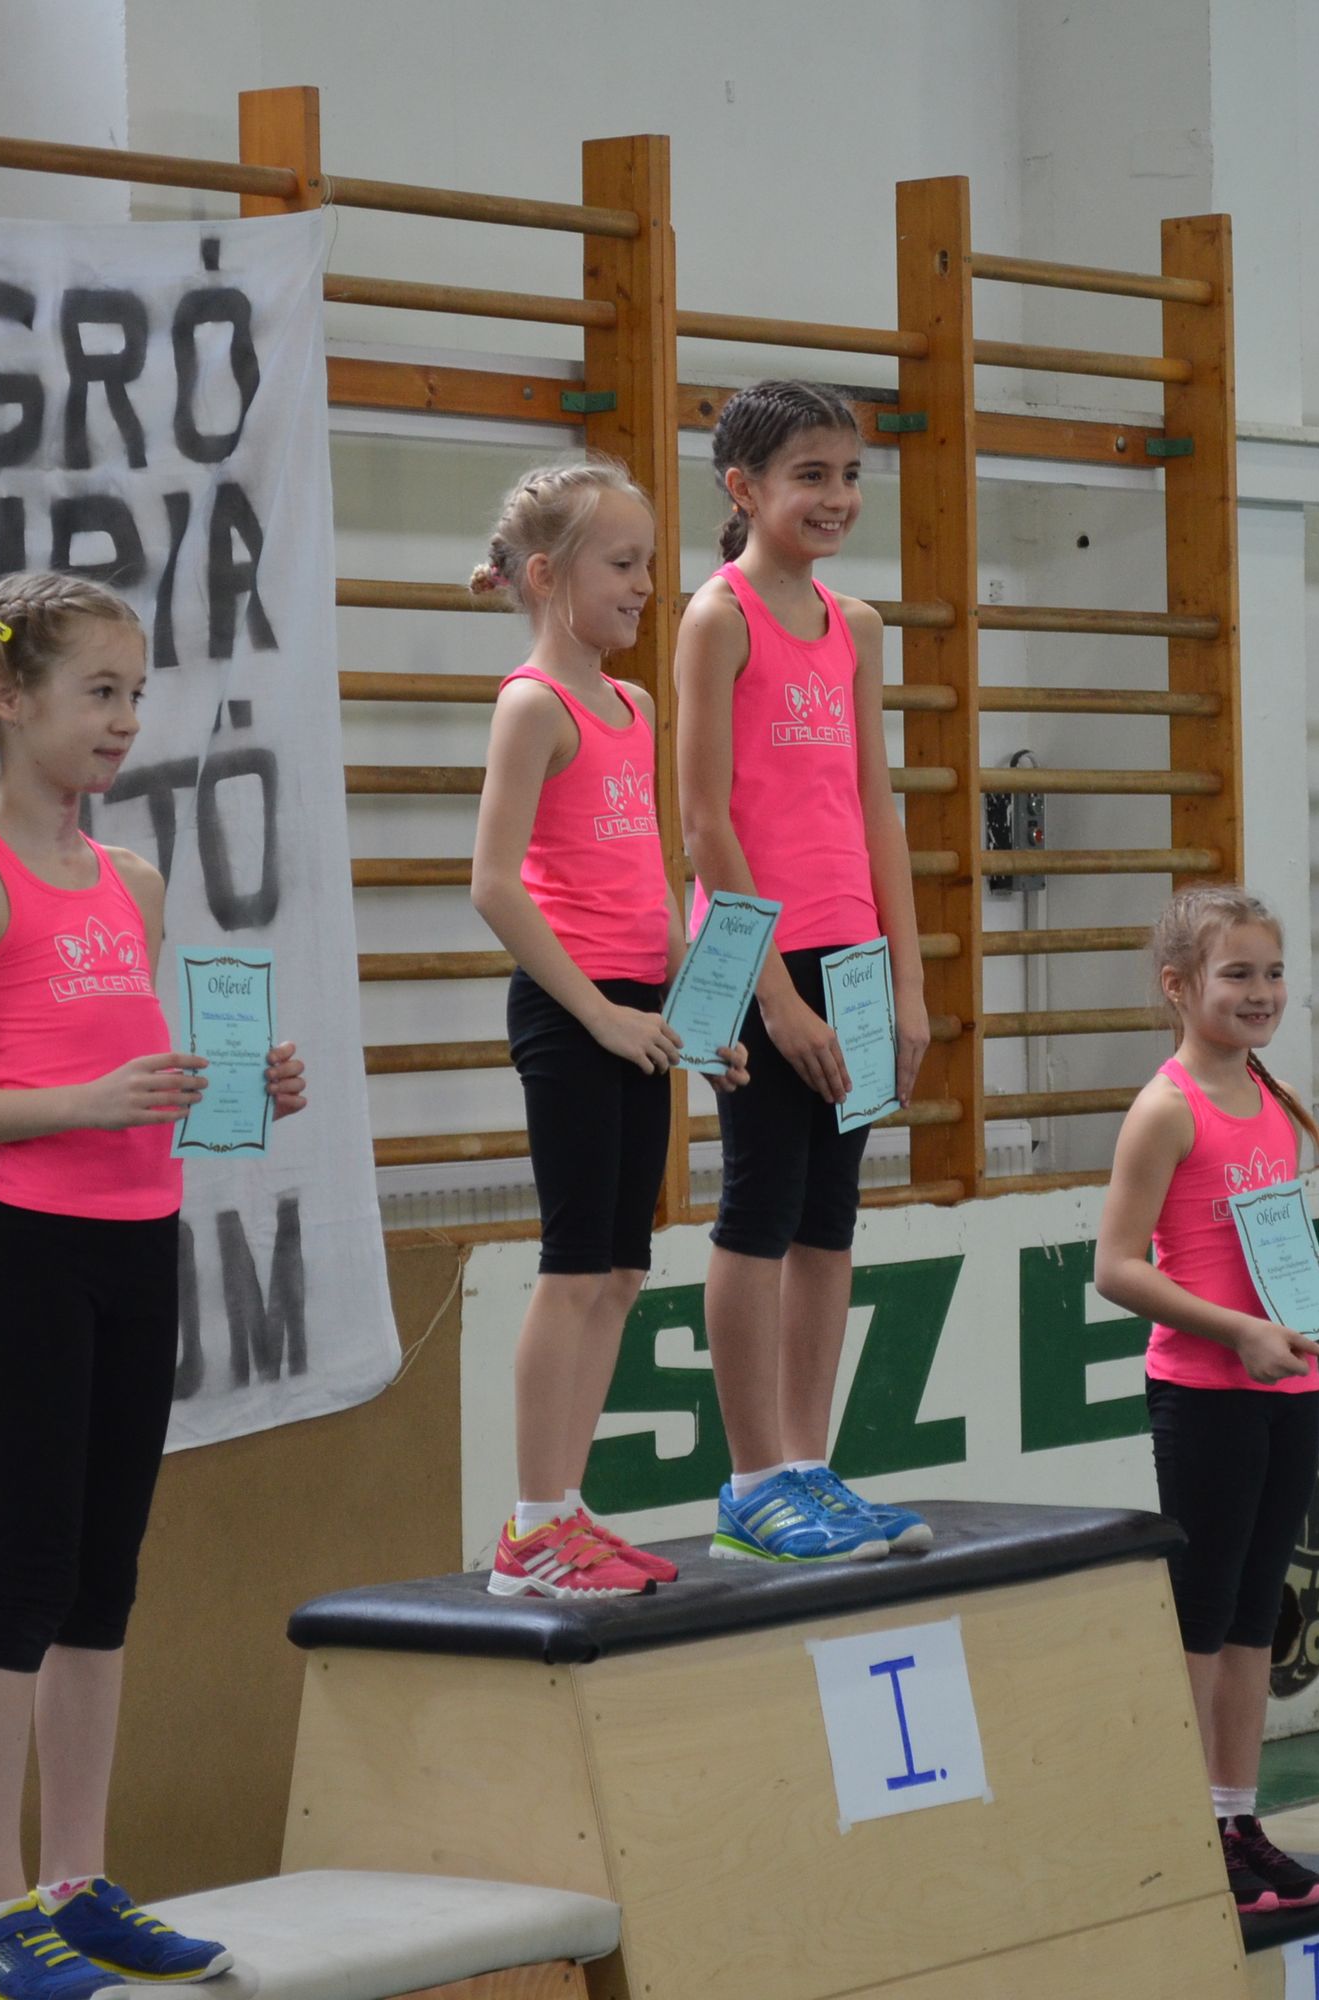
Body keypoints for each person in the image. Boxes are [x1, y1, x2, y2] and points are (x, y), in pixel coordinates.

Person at [0, 572, 304, 1999]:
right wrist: (82, 1102)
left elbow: (137, 1073)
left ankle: (75, 1881)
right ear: (10, 699)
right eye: (100, 693)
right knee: (28, 1575)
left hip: (142, 1246)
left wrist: (241, 1085)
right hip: (32, 1257)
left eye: (136, 693)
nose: (126, 720)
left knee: (103, 1582)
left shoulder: (132, 880)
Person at [468, 458, 748, 1600]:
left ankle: (566, 1505)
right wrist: (596, 1014)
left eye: (648, 565)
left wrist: (699, 1014)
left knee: (625, 1270)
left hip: (638, 1013)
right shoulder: (533, 704)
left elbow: (649, 886)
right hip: (573, 1011)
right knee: (575, 1265)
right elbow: (494, 884)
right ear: (545, 576)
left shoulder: (632, 706)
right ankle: (531, 1527)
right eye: (622, 565)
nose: (644, 586)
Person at [1095, 884, 1319, 1913]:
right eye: (1236, 974)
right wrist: (1236, 1331)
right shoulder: (1166, 1108)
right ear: (1178, 986)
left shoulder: (1271, 1095)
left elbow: (1273, 1233)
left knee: (1256, 1612)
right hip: (1206, 1393)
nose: (1260, 991)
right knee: (1203, 1610)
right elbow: (1116, 1267)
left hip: (1286, 1382)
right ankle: (1186, 1824)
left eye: (1272, 972)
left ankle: (1236, 1814)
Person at [678, 381, 933, 1564]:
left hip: (853, 948)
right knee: (760, 1207)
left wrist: (907, 979)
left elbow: (875, 805)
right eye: (809, 476)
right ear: (744, 488)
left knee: (830, 1219)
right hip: (752, 956)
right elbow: (704, 820)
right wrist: (773, 994)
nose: (836, 497)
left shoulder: (856, 625)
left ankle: (808, 1464)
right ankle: (751, 1480)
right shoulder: (717, 617)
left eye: (849, 475)